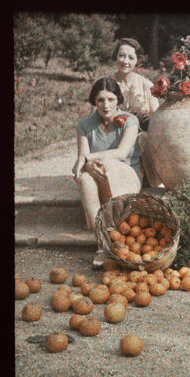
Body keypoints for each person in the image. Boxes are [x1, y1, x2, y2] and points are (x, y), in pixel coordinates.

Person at [73, 78, 142, 266]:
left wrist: (88, 159)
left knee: (107, 165)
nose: (106, 105)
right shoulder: (84, 125)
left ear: (118, 100)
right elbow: (82, 159)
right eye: (100, 100)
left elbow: (121, 154)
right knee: (85, 179)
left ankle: (119, 238)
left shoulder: (130, 121)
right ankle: (102, 243)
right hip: (96, 174)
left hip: (126, 176)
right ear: (94, 101)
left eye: (111, 99)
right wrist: (86, 164)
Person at [106, 37, 164, 188]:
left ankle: (152, 184)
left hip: (140, 142)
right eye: (122, 55)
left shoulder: (146, 85)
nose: (125, 61)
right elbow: (96, 117)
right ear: (116, 56)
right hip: (113, 139)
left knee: (144, 138)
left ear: (137, 61)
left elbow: (157, 119)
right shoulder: (106, 84)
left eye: (130, 57)